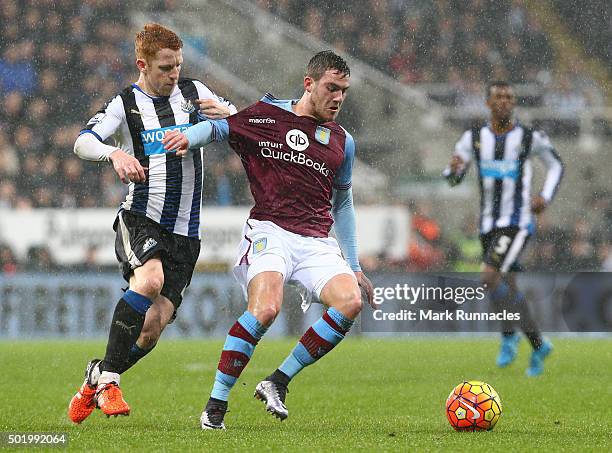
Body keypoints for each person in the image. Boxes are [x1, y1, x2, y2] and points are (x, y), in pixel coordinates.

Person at [163, 50, 375, 429]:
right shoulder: (266, 115)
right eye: (331, 88)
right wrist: (187, 137)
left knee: (350, 301)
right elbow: (219, 128)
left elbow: (343, 203)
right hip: (270, 231)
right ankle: (216, 404)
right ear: (308, 83)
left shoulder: (343, 141)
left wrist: (355, 265)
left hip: (315, 240)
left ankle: (277, 381)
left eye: (344, 90)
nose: (338, 98)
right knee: (266, 309)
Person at [68, 23, 236, 423]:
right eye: (165, 67)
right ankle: (110, 382)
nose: (174, 74)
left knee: (152, 328)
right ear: (142, 64)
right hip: (141, 216)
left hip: (186, 233)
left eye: (177, 65)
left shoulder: (196, 93)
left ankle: (95, 376)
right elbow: (82, 141)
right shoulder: (125, 103)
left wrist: (229, 117)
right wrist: (114, 154)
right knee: (149, 280)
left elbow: (243, 126)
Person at [444, 80, 563, 376]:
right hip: (488, 225)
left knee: (488, 277)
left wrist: (544, 197)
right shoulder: (473, 138)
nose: (505, 101)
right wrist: (454, 170)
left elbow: (556, 165)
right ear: (487, 103)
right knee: (505, 286)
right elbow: (452, 176)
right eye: (499, 96)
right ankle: (537, 345)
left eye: (509, 97)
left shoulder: (528, 136)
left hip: (518, 222)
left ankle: (509, 337)